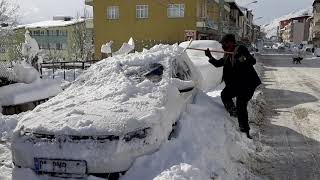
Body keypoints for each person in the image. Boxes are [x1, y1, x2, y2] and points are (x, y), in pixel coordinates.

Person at [205, 34, 261, 139]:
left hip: (247, 84)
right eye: (222, 44)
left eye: (224, 43)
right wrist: (209, 56)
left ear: (231, 42)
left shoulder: (240, 49)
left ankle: (245, 131)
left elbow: (252, 61)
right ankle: (233, 112)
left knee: (241, 104)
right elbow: (218, 64)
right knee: (225, 94)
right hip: (237, 84)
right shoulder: (227, 54)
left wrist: (242, 58)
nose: (223, 46)